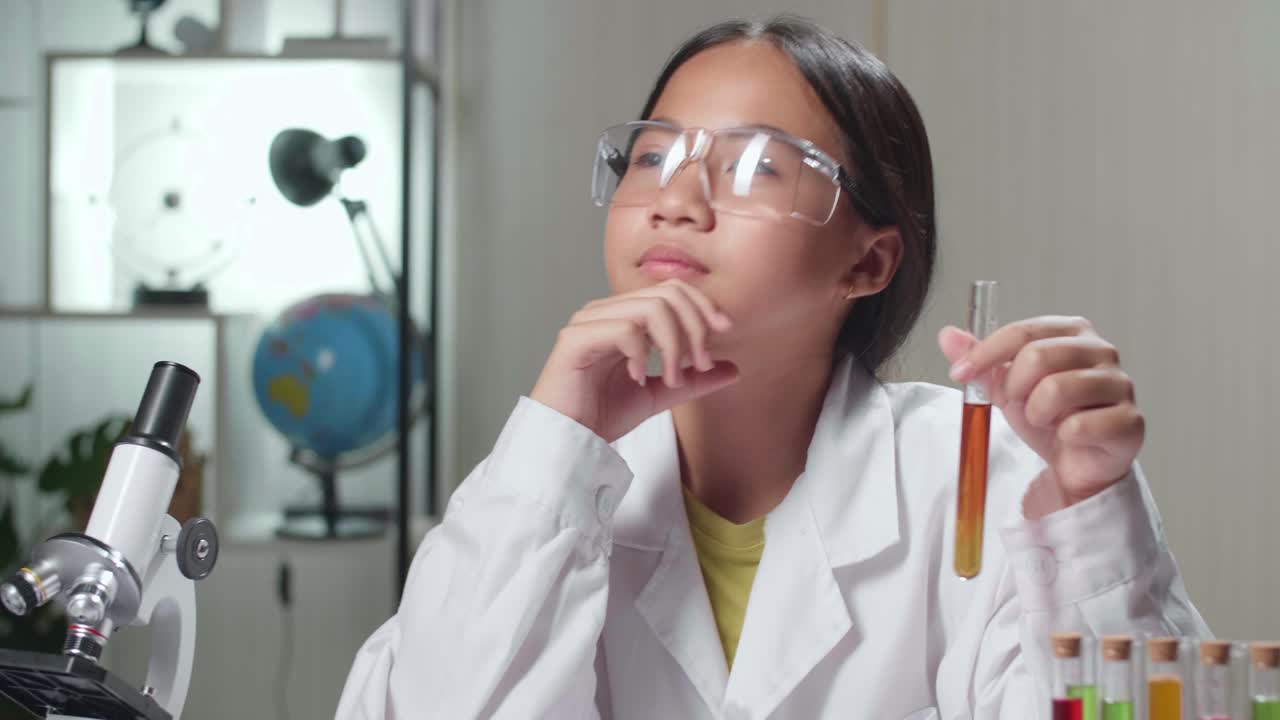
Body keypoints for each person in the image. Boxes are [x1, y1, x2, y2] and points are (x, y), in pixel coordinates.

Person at [336, 16, 1207, 719]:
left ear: (868, 262)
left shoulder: (980, 480)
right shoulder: (541, 491)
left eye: (753, 166)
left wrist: (1092, 511)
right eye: (653, 157)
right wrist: (552, 445)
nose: (676, 201)